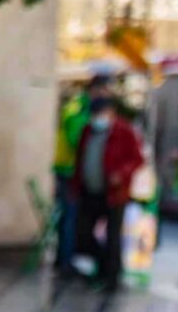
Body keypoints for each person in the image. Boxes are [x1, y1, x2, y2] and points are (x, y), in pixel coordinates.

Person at [74, 98, 144, 293]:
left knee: (113, 236)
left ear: (111, 113)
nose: (98, 118)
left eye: (102, 114)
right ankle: (103, 267)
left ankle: (112, 279)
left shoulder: (124, 131)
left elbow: (137, 159)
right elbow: (80, 158)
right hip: (90, 190)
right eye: (95, 115)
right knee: (83, 232)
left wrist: (121, 174)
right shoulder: (88, 130)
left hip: (114, 193)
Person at [52, 74, 111, 275]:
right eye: (104, 90)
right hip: (68, 171)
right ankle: (65, 263)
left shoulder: (86, 109)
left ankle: (66, 259)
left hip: (74, 172)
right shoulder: (78, 109)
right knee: (70, 217)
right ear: (95, 89)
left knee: (72, 217)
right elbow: (77, 141)